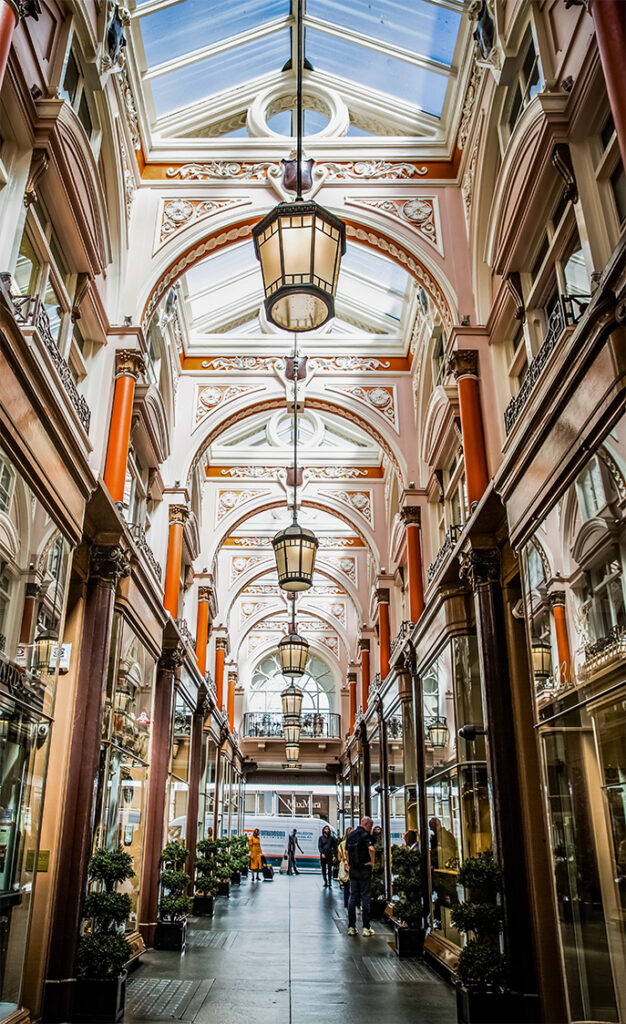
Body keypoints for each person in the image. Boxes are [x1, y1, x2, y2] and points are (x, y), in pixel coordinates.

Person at [346, 815, 375, 936]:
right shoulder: (365, 835)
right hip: (364, 869)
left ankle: (351, 927)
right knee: (365, 897)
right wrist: (372, 863)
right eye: (371, 827)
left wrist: (349, 864)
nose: (370, 829)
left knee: (353, 897)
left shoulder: (351, 835)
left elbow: (347, 852)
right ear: (367, 824)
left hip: (353, 870)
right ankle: (366, 927)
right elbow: (371, 849)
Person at [337, 826, 353, 909]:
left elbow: (339, 858)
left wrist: (344, 860)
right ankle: (354, 904)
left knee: (346, 887)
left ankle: (346, 903)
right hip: (354, 866)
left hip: (344, 866)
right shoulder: (356, 843)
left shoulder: (341, 844)